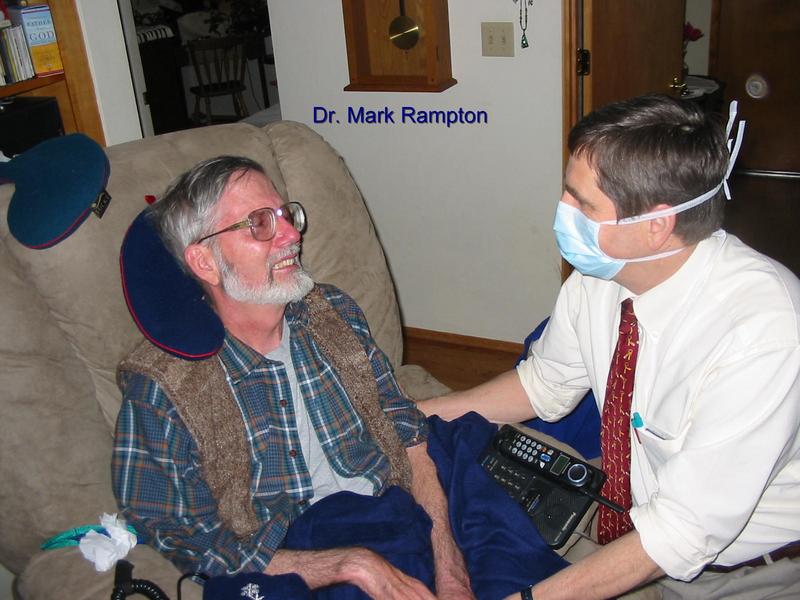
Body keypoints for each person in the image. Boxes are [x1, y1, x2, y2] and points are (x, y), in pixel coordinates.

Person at [420, 95, 800, 600]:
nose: (562, 211)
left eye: (582, 203)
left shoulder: (762, 333)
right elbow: (542, 386)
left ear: (656, 225)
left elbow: (681, 533)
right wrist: (410, 415)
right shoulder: (600, 278)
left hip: (734, 570)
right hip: (630, 516)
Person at [111, 156, 473, 600]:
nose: (292, 234)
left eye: (286, 215)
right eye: (261, 223)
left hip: (396, 512)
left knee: (490, 475)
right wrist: (351, 565)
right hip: (295, 557)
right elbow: (179, 534)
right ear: (205, 262)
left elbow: (407, 431)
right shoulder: (163, 387)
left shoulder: (333, 313)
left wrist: (451, 569)